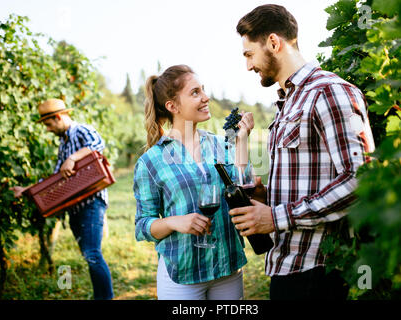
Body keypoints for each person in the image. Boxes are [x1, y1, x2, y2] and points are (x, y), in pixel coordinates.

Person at [230, 4, 375, 300]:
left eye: (249, 54)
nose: (248, 66)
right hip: (288, 265)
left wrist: (276, 217)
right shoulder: (288, 102)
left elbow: (361, 179)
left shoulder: (329, 92)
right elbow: (313, 180)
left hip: (318, 272)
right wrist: (268, 196)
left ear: (273, 42)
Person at [133, 64, 253, 300]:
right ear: (172, 106)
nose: (206, 97)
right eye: (195, 92)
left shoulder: (223, 145)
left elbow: (245, 189)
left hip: (227, 267)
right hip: (183, 274)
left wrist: (242, 143)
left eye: (203, 90)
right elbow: (142, 226)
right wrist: (173, 222)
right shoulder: (151, 161)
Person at [11, 99, 114, 300]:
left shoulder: (81, 130)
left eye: (48, 124)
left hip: (91, 202)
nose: (48, 130)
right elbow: (56, 177)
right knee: (89, 255)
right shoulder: (63, 143)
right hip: (75, 207)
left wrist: (73, 158)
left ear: (58, 117)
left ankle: (105, 298)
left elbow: (98, 143)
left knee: (92, 253)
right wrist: (26, 190)